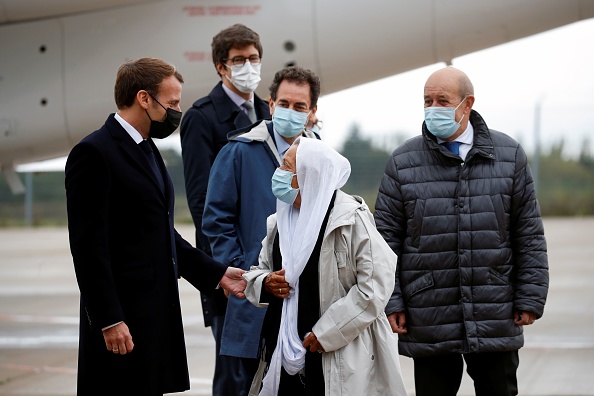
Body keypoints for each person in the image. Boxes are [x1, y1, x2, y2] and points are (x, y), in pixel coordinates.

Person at [65, 57, 246, 396]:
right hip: (122, 322)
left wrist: (216, 274)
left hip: (152, 318)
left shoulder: (146, 147)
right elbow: (88, 249)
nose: (176, 111)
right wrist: (109, 319)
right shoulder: (94, 153)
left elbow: (160, 232)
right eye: (173, 103)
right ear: (144, 98)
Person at [374, 66, 549, 396]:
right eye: (427, 101)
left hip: (494, 307)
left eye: (443, 100)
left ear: (467, 104)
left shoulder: (508, 156)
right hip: (429, 311)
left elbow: (528, 235)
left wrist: (530, 295)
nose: (433, 108)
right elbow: (384, 241)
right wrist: (392, 302)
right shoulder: (403, 162)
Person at [243, 138, 408, 396]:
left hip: (336, 356)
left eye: (287, 167)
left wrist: (327, 333)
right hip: (282, 353)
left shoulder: (351, 220)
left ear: (310, 175)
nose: (279, 174)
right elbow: (258, 271)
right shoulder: (279, 222)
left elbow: (375, 286)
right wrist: (264, 282)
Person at [202, 65, 321, 395]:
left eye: (300, 106)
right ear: (270, 104)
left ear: (312, 112)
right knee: (247, 383)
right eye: (284, 103)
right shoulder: (239, 151)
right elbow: (217, 220)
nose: (290, 112)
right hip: (254, 293)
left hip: (303, 295)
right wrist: (243, 272)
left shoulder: (321, 156)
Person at [179, 23, 270, 396]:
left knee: (274, 367)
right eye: (238, 60)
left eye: (253, 58)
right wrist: (231, 264)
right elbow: (203, 204)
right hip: (229, 267)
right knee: (234, 372)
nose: (248, 66)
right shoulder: (201, 118)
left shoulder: (269, 110)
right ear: (221, 66)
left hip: (273, 264)